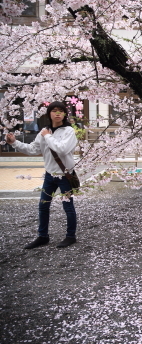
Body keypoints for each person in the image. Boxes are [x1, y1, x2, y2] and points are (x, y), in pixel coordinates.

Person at [5, 101, 78, 249]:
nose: (57, 113)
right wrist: (14, 143)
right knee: (43, 206)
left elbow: (62, 150)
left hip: (65, 176)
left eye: (61, 111)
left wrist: (48, 137)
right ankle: (42, 236)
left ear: (64, 114)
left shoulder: (69, 131)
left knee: (68, 207)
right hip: (50, 176)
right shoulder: (44, 131)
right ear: (49, 113)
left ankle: (71, 236)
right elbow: (32, 149)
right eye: (54, 110)